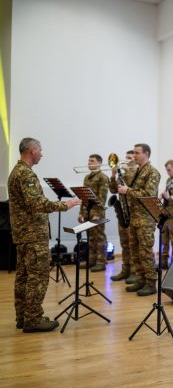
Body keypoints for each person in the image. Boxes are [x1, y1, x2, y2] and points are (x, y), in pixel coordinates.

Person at [8, 138, 81, 332]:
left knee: (24, 276)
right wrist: (64, 205)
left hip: (24, 235)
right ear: (32, 151)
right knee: (38, 277)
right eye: (40, 150)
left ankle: (23, 316)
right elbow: (36, 204)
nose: (42, 154)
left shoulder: (17, 171)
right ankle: (33, 319)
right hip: (33, 235)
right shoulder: (26, 174)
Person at [118, 143, 160, 296]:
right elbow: (119, 188)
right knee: (135, 251)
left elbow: (149, 194)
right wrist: (116, 174)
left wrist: (128, 190)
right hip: (134, 217)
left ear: (146, 154)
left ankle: (151, 283)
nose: (134, 155)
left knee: (146, 252)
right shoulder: (137, 171)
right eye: (134, 153)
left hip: (145, 219)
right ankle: (141, 279)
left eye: (137, 153)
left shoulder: (153, 172)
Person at [78, 154, 109, 272]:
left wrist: (98, 213)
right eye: (89, 160)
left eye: (92, 161)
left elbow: (102, 197)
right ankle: (91, 260)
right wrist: (81, 212)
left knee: (99, 237)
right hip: (87, 212)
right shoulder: (87, 177)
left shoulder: (103, 177)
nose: (89, 162)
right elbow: (84, 196)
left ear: (99, 163)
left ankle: (101, 262)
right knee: (90, 237)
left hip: (97, 212)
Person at [109, 150, 136, 282]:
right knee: (124, 244)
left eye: (129, 157)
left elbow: (133, 187)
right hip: (123, 213)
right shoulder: (123, 175)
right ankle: (126, 270)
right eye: (126, 157)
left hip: (134, 215)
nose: (126, 160)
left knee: (133, 246)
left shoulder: (136, 173)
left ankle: (135, 272)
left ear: (135, 160)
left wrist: (126, 170)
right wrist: (113, 175)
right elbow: (113, 190)